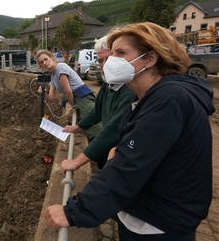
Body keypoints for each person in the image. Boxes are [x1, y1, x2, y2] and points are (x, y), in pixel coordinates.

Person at [45, 22, 214, 241]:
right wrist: (121, 149)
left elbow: (128, 167)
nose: (110, 62)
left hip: (157, 224)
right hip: (150, 212)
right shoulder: (148, 97)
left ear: (150, 59)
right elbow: (133, 148)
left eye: (120, 53)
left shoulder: (169, 100)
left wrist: (73, 211)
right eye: (109, 55)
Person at [61, 36, 136, 170]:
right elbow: (97, 111)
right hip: (110, 147)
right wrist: (79, 127)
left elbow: (113, 129)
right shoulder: (108, 85)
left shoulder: (131, 90)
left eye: (109, 59)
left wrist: (77, 162)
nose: (105, 65)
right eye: (101, 60)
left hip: (122, 151)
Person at [36, 49, 100, 141]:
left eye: (46, 59)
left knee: (95, 129)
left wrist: (72, 106)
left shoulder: (60, 67)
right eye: (41, 62)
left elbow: (68, 91)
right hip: (76, 100)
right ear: (41, 66)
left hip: (83, 97)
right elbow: (51, 97)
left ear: (51, 58)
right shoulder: (53, 77)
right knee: (88, 129)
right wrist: (43, 92)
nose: (44, 63)